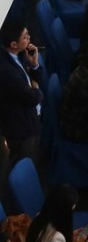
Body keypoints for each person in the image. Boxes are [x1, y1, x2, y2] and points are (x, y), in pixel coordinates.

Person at [0, 19, 44, 172]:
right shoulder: (7, 71)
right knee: (26, 163)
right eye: (25, 37)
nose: (29, 39)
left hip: (29, 116)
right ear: (13, 44)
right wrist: (36, 88)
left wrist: (34, 64)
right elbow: (33, 97)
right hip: (22, 126)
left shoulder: (20, 55)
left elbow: (38, 79)